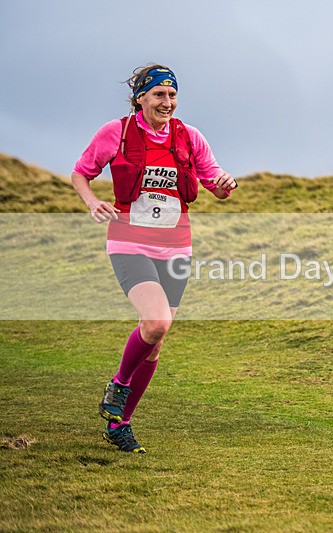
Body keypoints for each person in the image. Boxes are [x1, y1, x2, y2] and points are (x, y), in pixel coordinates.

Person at [71, 64, 238, 452]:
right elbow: (82, 173)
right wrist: (93, 202)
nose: (167, 103)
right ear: (141, 98)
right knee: (156, 322)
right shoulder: (117, 132)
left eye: (172, 95)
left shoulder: (189, 136)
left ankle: (119, 425)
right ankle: (119, 384)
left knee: (155, 341)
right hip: (129, 242)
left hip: (177, 246)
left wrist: (226, 184)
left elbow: (214, 183)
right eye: (159, 95)